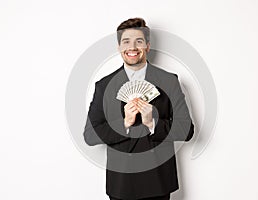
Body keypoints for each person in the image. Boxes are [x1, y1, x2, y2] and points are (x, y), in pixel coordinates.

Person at [83, 18, 194, 200]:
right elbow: (90, 135)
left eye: (139, 41)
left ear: (148, 46)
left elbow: (187, 130)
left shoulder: (169, 81)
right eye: (126, 42)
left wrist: (153, 123)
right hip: (121, 185)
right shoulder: (104, 86)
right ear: (119, 47)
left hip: (158, 182)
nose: (132, 47)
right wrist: (124, 123)